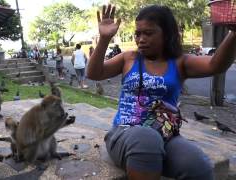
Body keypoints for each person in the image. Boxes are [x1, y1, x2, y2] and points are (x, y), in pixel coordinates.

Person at [87, 4, 236, 180]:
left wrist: (234, 33)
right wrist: (104, 39)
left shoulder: (180, 62)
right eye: (138, 33)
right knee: (146, 138)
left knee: (197, 164)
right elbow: (94, 73)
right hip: (125, 132)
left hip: (166, 135)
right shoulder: (129, 58)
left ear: (167, 34)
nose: (140, 39)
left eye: (148, 33)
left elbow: (215, 65)